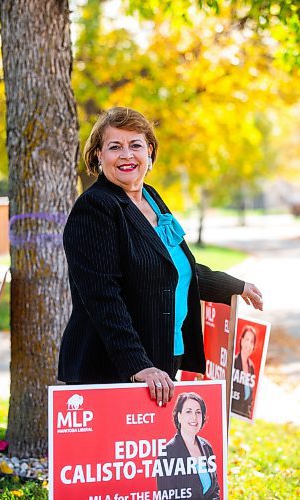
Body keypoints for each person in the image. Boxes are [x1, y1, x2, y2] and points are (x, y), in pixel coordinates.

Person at [58, 106, 263, 406]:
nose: (127, 155)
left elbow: (171, 266)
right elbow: (103, 298)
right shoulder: (95, 209)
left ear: (150, 152)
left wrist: (234, 285)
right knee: (126, 452)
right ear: (99, 156)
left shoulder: (151, 198)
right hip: (115, 368)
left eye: (135, 145)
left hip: (163, 356)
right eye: (115, 147)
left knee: (157, 452)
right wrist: (137, 365)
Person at [156, 392, 220, 498]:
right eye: (188, 412)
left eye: (198, 412)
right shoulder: (167, 452)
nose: (194, 417)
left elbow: (214, 489)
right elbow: (166, 496)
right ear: (179, 416)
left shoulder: (206, 446)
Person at [232, 325, 257, 418]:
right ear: (241, 341)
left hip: (244, 416)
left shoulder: (251, 367)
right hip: (231, 413)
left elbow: (250, 398)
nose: (249, 344)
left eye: (252, 341)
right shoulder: (233, 362)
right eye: (247, 339)